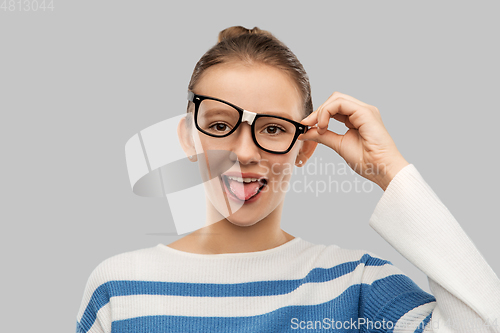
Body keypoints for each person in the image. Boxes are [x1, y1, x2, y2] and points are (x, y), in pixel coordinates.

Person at [75, 26, 500, 333]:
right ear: (188, 138)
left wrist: (389, 170)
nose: (244, 153)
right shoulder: (120, 288)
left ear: (306, 147)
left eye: (274, 129)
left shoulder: (356, 285)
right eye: (221, 126)